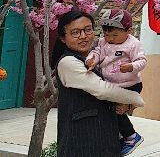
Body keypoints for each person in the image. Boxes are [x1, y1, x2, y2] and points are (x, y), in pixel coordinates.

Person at [53, 9, 144, 157]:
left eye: (88, 30)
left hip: (104, 135)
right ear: (63, 38)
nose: (83, 36)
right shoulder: (67, 62)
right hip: (82, 139)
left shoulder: (94, 58)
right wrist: (136, 99)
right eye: (75, 32)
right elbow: (102, 90)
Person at [86, 9, 146, 156]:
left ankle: (131, 136)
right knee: (111, 111)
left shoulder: (133, 44)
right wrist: (91, 59)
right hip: (111, 84)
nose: (110, 38)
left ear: (128, 31)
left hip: (130, 84)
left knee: (118, 111)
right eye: (106, 34)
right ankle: (119, 135)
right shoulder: (103, 42)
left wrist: (131, 66)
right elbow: (97, 52)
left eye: (114, 35)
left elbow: (142, 61)